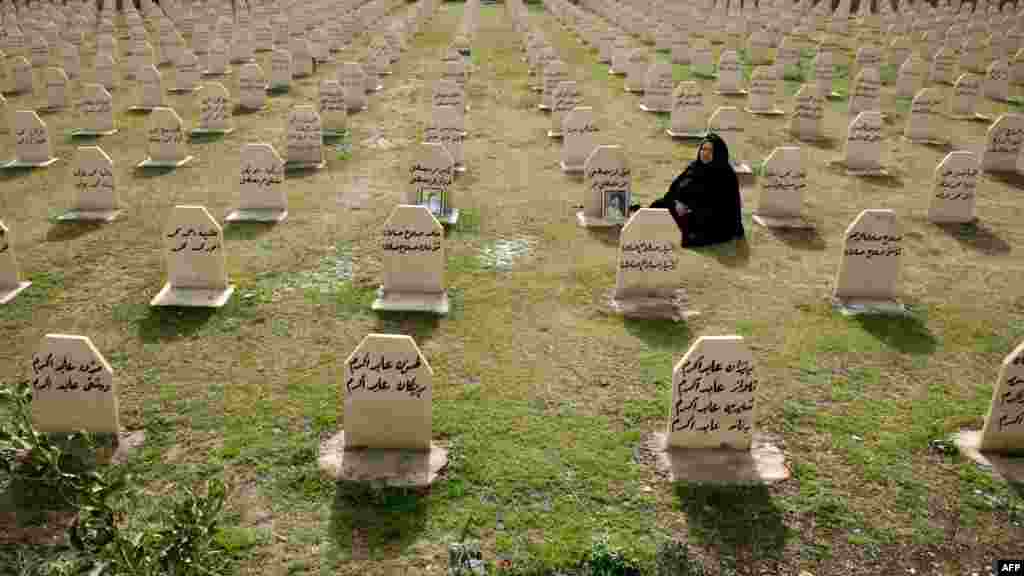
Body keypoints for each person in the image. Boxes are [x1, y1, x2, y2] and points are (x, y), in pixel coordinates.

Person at [630, 133, 745, 247]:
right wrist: (676, 203)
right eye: (703, 149)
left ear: (718, 153)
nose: (705, 153)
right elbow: (675, 188)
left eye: (710, 150)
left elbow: (719, 208)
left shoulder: (725, 176)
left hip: (708, 222)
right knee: (659, 204)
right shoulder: (694, 167)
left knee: (680, 230)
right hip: (681, 209)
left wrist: (690, 209)